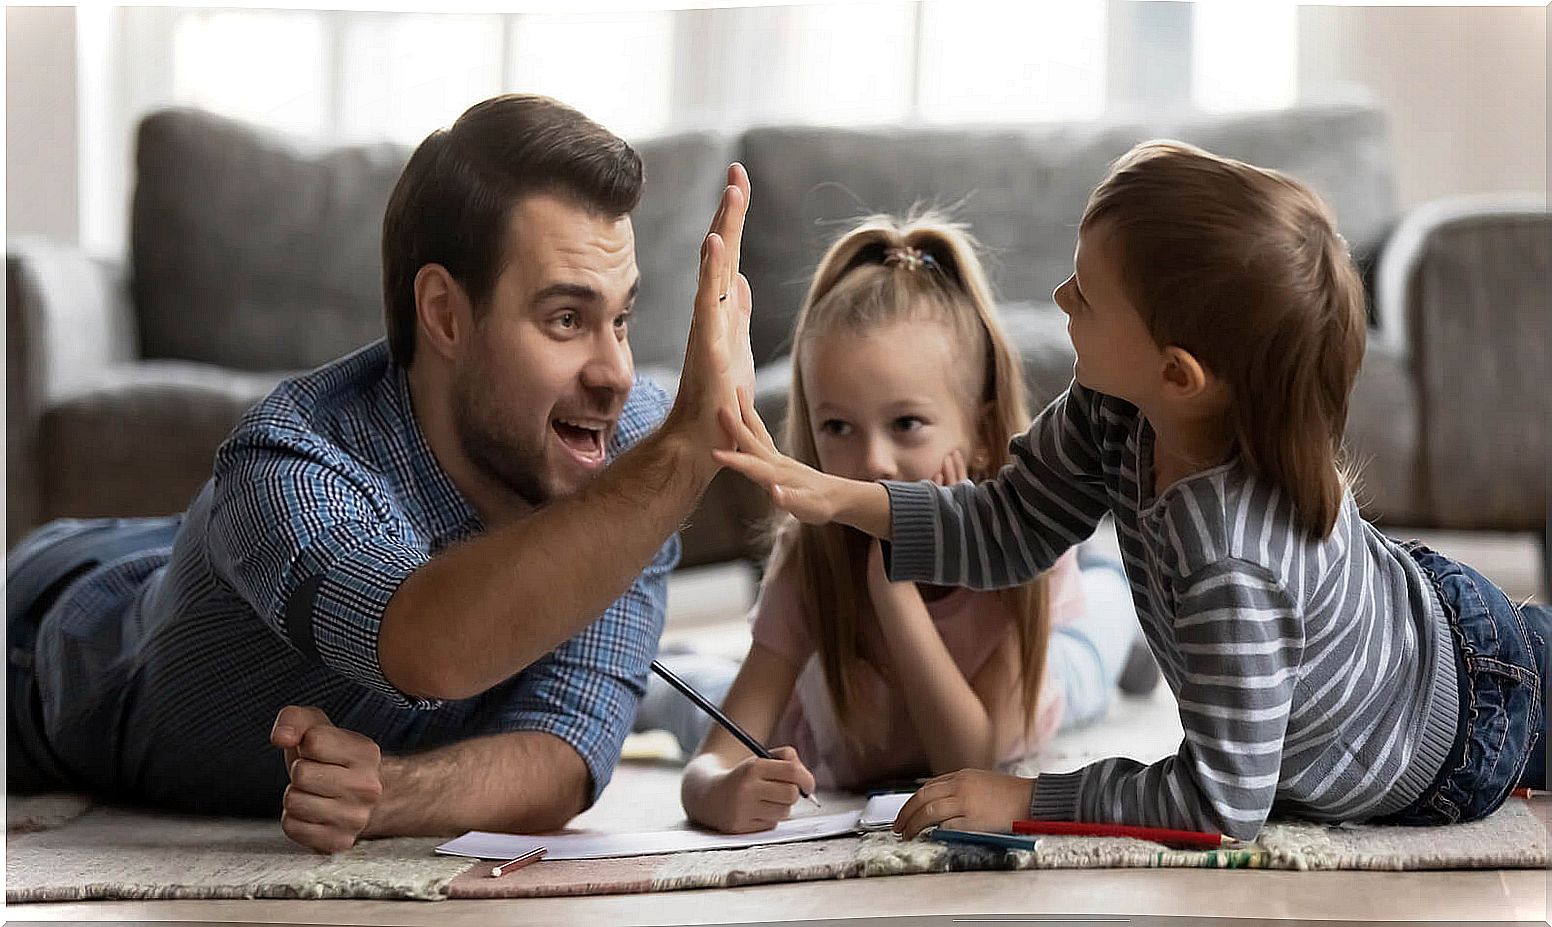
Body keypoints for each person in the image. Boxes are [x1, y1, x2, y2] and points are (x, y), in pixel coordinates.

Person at [712, 141, 1548, 841]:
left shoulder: (1231, 560)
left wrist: (1029, 799)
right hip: (1430, 613)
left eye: (1087, 293)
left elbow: (1222, 806)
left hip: (1468, 725)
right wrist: (839, 499)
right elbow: (1006, 524)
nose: (1059, 298)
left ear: (1177, 372)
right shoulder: (1116, 410)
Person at [5, 93, 760, 853]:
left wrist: (392, 792)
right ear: (444, 314)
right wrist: (688, 451)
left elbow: (569, 745)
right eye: (567, 319)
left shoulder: (630, 455)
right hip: (47, 641)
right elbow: (430, 645)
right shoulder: (284, 467)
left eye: (621, 319)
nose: (617, 373)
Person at [655, 214, 1143, 835]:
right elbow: (709, 766)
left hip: (1040, 683)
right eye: (838, 428)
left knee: (1096, 641)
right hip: (835, 731)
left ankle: (1108, 578)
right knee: (694, 697)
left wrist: (894, 584)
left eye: (906, 424)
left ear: (982, 430)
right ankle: (660, 672)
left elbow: (969, 761)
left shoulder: (1020, 556)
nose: (874, 462)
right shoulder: (813, 561)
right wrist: (718, 792)